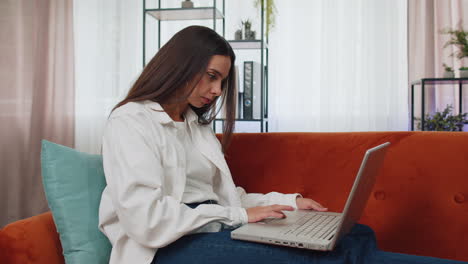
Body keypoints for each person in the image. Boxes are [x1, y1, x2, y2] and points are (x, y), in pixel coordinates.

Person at [98, 25, 373, 264]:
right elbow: (147, 220)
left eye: (222, 80)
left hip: (211, 227)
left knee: (358, 233)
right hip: (162, 248)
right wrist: (237, 215)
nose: (218, 91)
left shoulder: (196, 125)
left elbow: (226, 197)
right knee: (323, 256)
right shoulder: (130, 121)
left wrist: (288, 202)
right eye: (212, 75)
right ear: (181, 65)